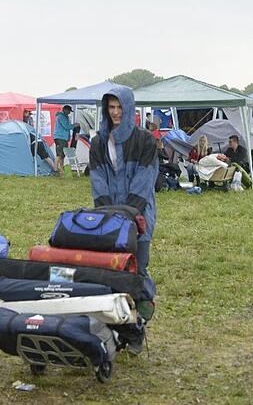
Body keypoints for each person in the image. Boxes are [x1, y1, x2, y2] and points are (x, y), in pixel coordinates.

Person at [89, 85, 158, 351]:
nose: (115, 113)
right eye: (111, 108)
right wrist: (108, 214)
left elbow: (144, 181)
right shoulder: (98, 142)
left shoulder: (145, 141)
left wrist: (130, 214)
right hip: (109, 220)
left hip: (139, 218)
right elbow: (98, 181)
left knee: (137, 272)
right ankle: (117, 330)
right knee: (110, 276)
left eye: (120, 108)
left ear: (129, 109)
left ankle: (138, 325)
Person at [53, 105, 74, 174]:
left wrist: (68, 137)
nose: (69, 113)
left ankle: (61, 170)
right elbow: (66, 127)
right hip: (60, 137)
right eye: (69, 111)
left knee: (62, 155)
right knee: (59, 154)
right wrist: (74, 125)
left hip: (63, 138)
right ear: (65, 110)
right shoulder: (61, 116)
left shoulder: (65, 117)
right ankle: (55, 169)